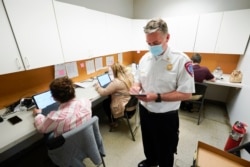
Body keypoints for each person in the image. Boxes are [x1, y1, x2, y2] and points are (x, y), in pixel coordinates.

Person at [130, 18, 195, 167]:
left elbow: (187, 94)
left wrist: (157, 97)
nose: (152, 47)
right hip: (145, 111)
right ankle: (151, 161)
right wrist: (135, 87)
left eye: (156, 43)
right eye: (149, 43)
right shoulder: (145, 59)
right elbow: (138, 79)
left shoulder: (181, 60)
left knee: (166, 149)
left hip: (166, 116)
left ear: (167, 37)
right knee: (148, 142)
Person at [95, 62, 134, 127]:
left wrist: (97, 85)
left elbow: (103, 93)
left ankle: (113, 121)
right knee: (110, 97)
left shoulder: (117, 82)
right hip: (131, 103)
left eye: (111, 72)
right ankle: (114, 118)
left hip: (124, 106)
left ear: (114, 72)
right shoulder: (128, 77)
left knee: (105, 102)